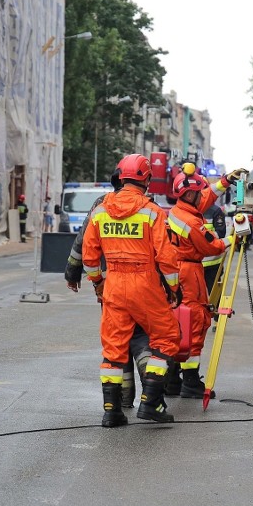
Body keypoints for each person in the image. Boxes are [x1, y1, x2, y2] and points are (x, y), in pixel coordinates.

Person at [82, 153, 184, 426]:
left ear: (121, 177)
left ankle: (111, 411)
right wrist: (174, 287)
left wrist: (98, 283)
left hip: (113, 284)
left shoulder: (101, 210)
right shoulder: (151, 212)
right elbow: (166, 256)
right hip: (145, 284)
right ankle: (151, 402)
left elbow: (89, 256)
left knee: (114, 347)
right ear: (146, 179)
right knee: (167, 338)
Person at [65, 171, 152, 410]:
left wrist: (73, 274)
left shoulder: (101, 205)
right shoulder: (147, 206)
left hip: (110, 285)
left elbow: (84, 242)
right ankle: (151, 394)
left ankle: (123, 399)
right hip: (144, 287)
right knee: (142, 337)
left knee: (117, 339)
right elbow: (162, 250)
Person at [166, 164, 245, 398]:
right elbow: (212, 246)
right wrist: (233, 239)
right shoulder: (191, 222)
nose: (200, 195)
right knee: (195, 322)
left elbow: (205, 196)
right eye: (195, 192)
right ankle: (190, 382)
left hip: (180, 271)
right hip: (189, 274)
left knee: (178, 325)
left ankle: (172, 380)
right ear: (186, 194)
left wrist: (227, 180)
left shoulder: (181, 209)